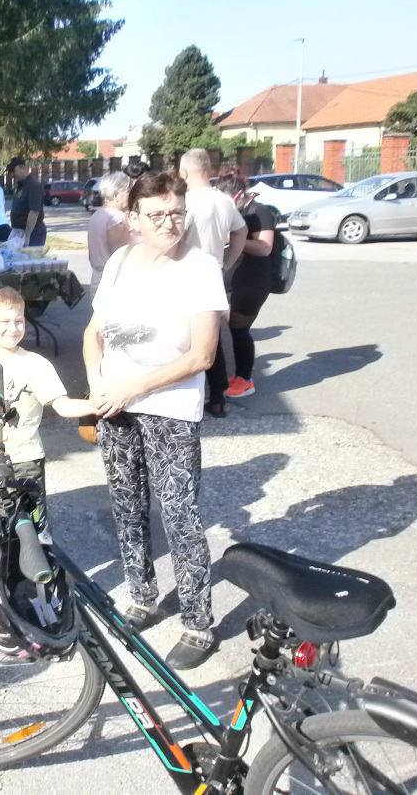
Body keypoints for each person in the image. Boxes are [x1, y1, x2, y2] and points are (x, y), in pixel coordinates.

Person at [82, 171, 227, 670]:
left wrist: (132, 388)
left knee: (179, 514)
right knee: (126, 506)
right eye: (157, 214)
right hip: (116, 406)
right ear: (134, 218)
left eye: (176, 212)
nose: (169, 223)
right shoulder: (120, 261)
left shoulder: (200, 268)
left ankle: (198, 623)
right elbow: (93, 333)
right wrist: (97, 384)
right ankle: (142, 597)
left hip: (170, 409)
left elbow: (202, 355)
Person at [0, 287, 95, 529]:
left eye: (19, 321)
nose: (13, 328)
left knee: (34, 527)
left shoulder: (35, 364)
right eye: (4, 322)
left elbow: (62, 405)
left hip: (25, 461)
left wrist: (99, 404)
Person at [177, 149, 246, 417]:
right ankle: (218, 396)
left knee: (183, 337)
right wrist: (226, 263)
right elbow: (241, 231)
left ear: (184, 171)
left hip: (187, 274)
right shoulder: (225, 200)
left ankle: (184, 393)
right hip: (214, 273)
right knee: (212, 338)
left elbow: (176, 235)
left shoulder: (186, 200)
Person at [216, 174, 279, 398]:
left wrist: (233, 240)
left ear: (240, 195)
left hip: (253, 281)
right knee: (233, 330)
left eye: (229, 200)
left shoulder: (260, 212)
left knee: (240, 330)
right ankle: (239, 376)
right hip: (235, 279)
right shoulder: (237, 211)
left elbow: (264, 247)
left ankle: (245, 380)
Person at [86, 171, 134, 290]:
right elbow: (120, 255)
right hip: (115, 281)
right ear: (115, 195)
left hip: (98, 278)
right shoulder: (116, 218)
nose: (132, 195)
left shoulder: (97, 214)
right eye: (129, 192)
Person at [7, 157, 47, 247]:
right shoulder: (22, 185)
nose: (12, 175)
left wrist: (27, 236)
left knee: (30, 256)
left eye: (13, 171)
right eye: (10, 172)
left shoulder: (33, 185)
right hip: (20, 232)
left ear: (23, 168)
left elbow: (34, 212)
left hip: (33, 233)